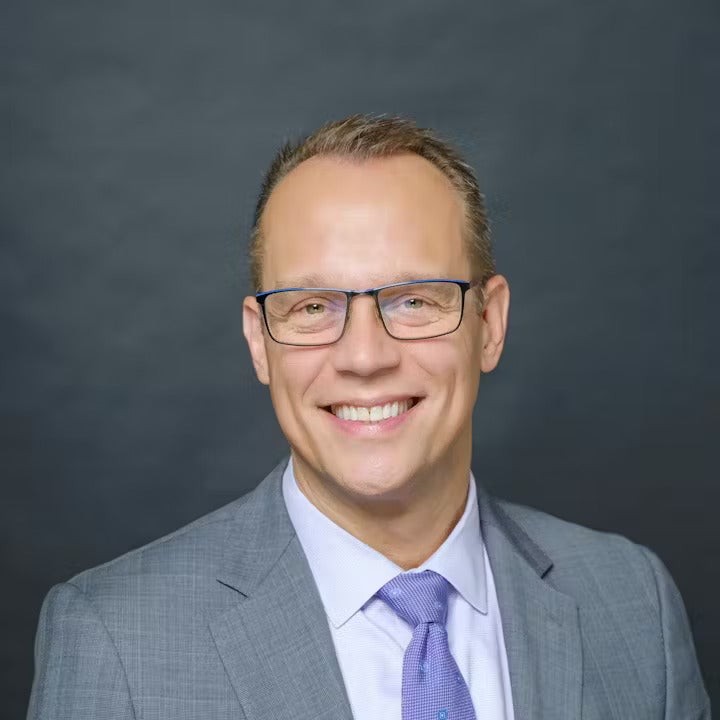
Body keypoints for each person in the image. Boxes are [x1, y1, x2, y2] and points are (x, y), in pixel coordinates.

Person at [27, 115, 710, 720]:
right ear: (260, 342)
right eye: (311, 306)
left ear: (489, 324)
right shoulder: (118, 637)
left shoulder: (631, 601)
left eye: (415, 300)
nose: (363, 356)